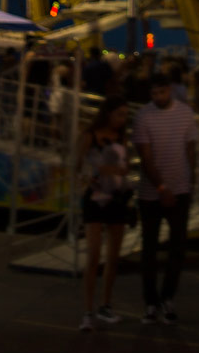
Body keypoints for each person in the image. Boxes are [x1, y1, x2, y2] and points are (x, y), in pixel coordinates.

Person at [133, 71, 198, 324]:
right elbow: (145, 157)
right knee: (149, 250)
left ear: (169, 89)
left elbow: (190, 149)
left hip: (180, 190)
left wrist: (189, 183)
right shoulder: (142, 116)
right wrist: (161, 188)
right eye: (153, 93)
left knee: (177, 249)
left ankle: (167, 298)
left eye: (161, 92)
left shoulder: (185, 113)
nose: (157, 97)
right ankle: (151, 302)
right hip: (151, 194)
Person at [76, 95, 131, 331]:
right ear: (108, 113)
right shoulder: (90, 136)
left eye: (125, 115)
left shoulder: (122, 137)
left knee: (113, 255)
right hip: (95, 197)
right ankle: (88, 310)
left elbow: (125, 166)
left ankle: (105, 304)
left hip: (116, 197)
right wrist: (90, 175)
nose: (123, 119)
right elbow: (77, 165)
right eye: (119, 114)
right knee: (94, 253)